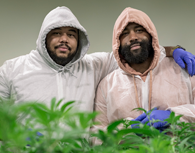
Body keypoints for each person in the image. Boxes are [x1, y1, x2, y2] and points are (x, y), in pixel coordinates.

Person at [0, 6, 194, 114]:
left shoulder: (92, 66)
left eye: (71, 34)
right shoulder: (12, 69)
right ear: (43, 38)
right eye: (56, 33)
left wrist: (173, 50)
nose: (64, 40)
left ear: (79, 40)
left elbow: (133, 50)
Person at [94, 7, 195, 131]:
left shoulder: (182, 69)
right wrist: (125, 131)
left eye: (139, 30)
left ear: (151, 35)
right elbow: (96, 133)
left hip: (180, 150)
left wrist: (174, 116)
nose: (133, 37)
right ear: (117, 43)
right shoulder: (107, 85)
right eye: (125, 33)